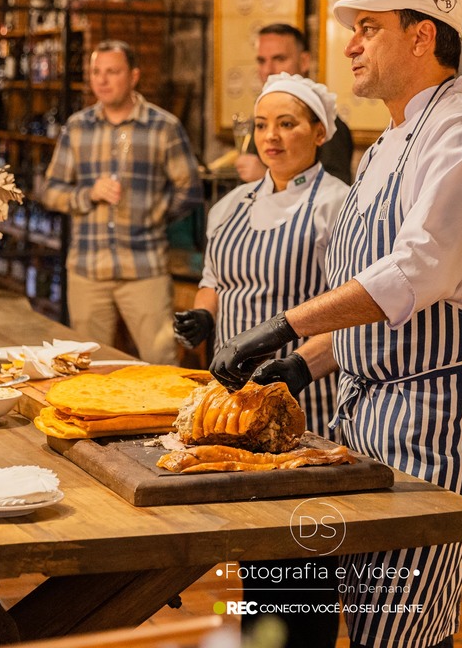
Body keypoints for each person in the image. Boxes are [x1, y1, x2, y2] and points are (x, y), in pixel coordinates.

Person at [210, 0, 462, 648]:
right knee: (322, 604)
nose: (351, 46)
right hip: (360, 408)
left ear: (422, 37)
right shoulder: (384, 147)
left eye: (368, 30)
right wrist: (301, 365)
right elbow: (373, 305)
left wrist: (281, 327)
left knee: (399, 621)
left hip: (433, 411)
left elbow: (415, 272)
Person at [174, 73, 350, 648]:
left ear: (319, 132)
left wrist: (299, 365)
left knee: (303, 550)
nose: (270, 137)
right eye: (261, 125)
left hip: (306, 396)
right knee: (255, 547)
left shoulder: (337, 205)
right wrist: (204, 316)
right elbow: (214, 279)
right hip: (237, 401)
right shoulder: (230, 205)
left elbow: (352, 307)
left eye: (287, 124)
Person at [43, 40, 202, 364]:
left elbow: (190, 190)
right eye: (96, 72)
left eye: (112, 72)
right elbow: (51, 191)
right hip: (88, 267)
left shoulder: (163, 126)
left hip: (144, 266)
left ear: (134, 76)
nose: (102, 80)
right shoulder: (77, 127)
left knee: (161, 361)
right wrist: (87, 194)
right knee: (85, 365)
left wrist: (155, 214)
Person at [234, 24, 354, 185]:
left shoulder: (327, 123)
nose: (268, 70)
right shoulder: (260, 115)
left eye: (279, 59)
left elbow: (339, 189)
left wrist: (266, 178)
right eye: (262, 61)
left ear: (304, 61)